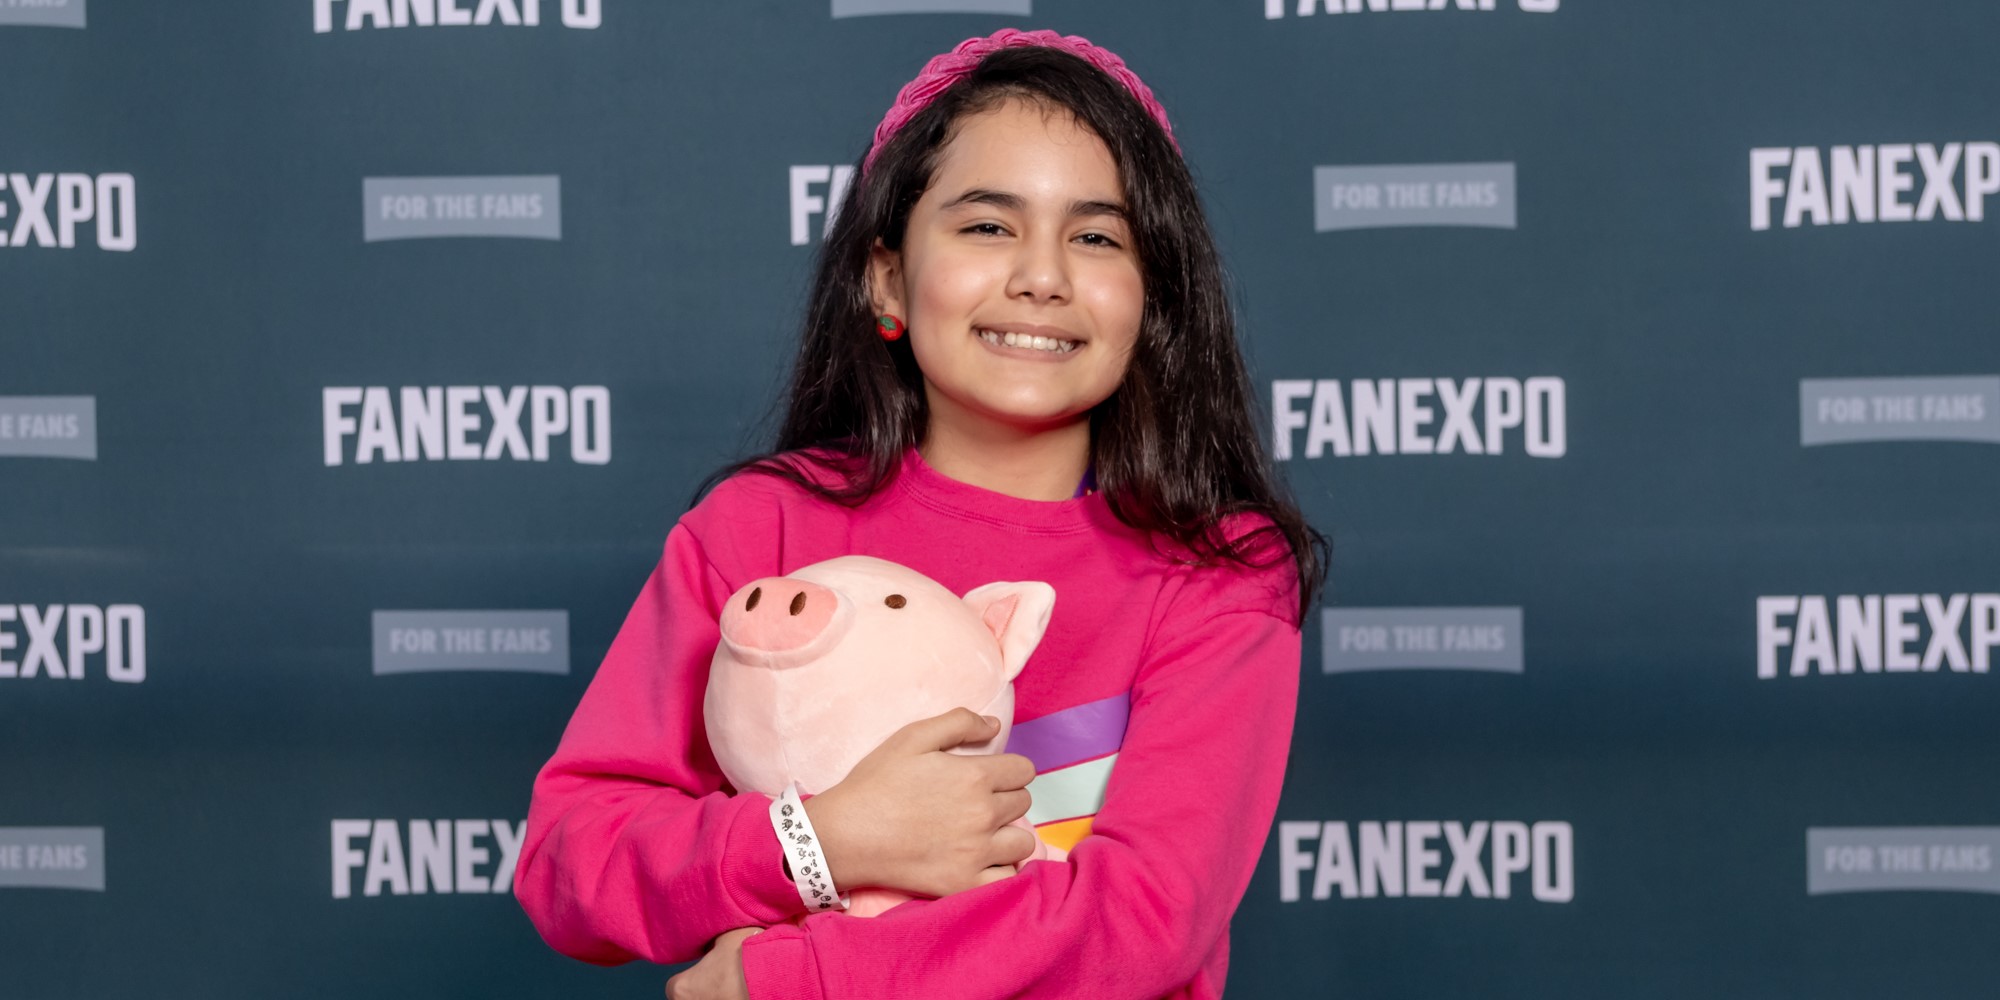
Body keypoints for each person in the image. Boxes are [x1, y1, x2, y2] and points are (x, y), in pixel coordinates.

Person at [513, 28, 1328, 1000]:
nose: (1041, 275)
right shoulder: (760, 529)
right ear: (888, 277)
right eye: (987, 226)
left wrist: (793, 979)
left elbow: (1143, 920)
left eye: (1096, 237)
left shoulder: (1218, 570)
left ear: (1152, 299)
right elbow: (569, 860)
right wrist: (823, 841)